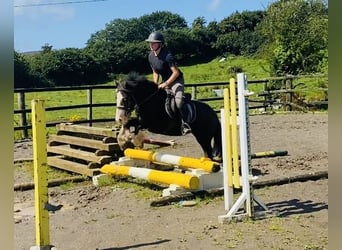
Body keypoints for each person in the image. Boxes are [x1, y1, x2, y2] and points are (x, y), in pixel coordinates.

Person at [145, 31, 191, 135]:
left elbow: (176, 72)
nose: (151, 45)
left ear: (160, 44)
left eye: (154, 43)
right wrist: (155, 84)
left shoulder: (168, 55)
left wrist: (165, 84)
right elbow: (155, 71)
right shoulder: (151, 56)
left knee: (178, 102)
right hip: (164, 81)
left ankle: (185, 124)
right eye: (150, 43)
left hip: (176, 81)